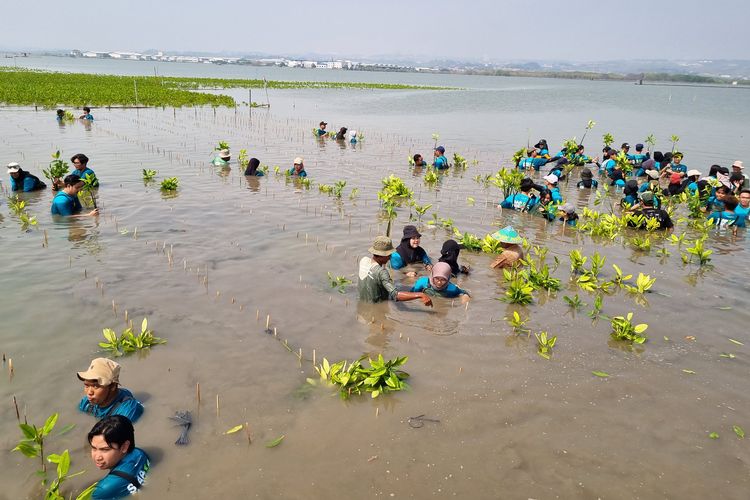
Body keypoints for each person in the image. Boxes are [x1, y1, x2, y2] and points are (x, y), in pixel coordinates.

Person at [87, 415, 150, 499]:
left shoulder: (102, 489)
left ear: (124, 447)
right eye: (94, 448)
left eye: (105, 449)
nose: (97, 457)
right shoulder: (139, 453)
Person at [357, 236, 432, 306]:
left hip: (362, 302)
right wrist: (420, 295)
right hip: (377, 305)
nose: (390, 257)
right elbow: (396, 295)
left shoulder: (364, 260)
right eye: (389, 255)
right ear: (383, 255)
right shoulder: (382, 272)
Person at [77, 358, 144, 423]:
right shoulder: (87, 403)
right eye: (87, 386)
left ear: (113, 386)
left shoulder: (128, 411)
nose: (89, 392)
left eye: (96, 386)